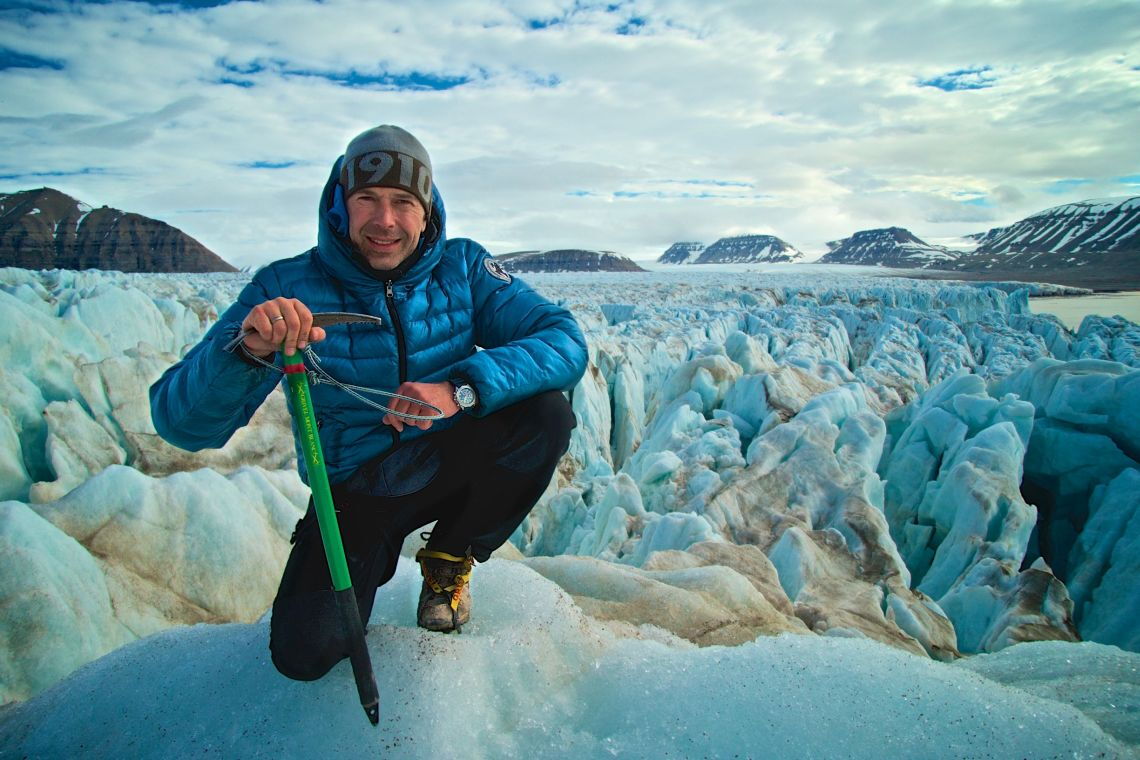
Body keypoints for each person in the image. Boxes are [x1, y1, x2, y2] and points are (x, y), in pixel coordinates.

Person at [149, 125, 587, 681]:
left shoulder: (463, 269)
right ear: (341, 204)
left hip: (446, 458)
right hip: (357, 488)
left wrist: (460, 390)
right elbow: (181, 425)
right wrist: (246, 351)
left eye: (403, 202)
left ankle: (450, 556)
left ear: (426, 211)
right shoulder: (285, 287)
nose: (385, 221)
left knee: (546, 415)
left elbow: (564, 340)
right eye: (367, 199)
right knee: (305, 653)